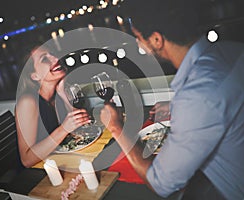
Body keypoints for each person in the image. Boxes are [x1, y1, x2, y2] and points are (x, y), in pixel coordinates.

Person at [100, 0, 244, 199]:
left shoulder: (197, 97)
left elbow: (161, 184)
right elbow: (219, 105)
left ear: (156, 40)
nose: (138, 44)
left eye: (138, 38)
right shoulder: (231, 50)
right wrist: (177, 108)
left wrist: (117, 128)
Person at [15, 45, 90, 168]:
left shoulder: (57, 92)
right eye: (45, 59)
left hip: (60, 161)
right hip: (39, 174)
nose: (56, 58)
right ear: (35, 76)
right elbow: (26, 160)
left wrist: (62, 92)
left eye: (53, 54)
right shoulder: (28, 102)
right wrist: (64, 129)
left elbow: (82, 123)